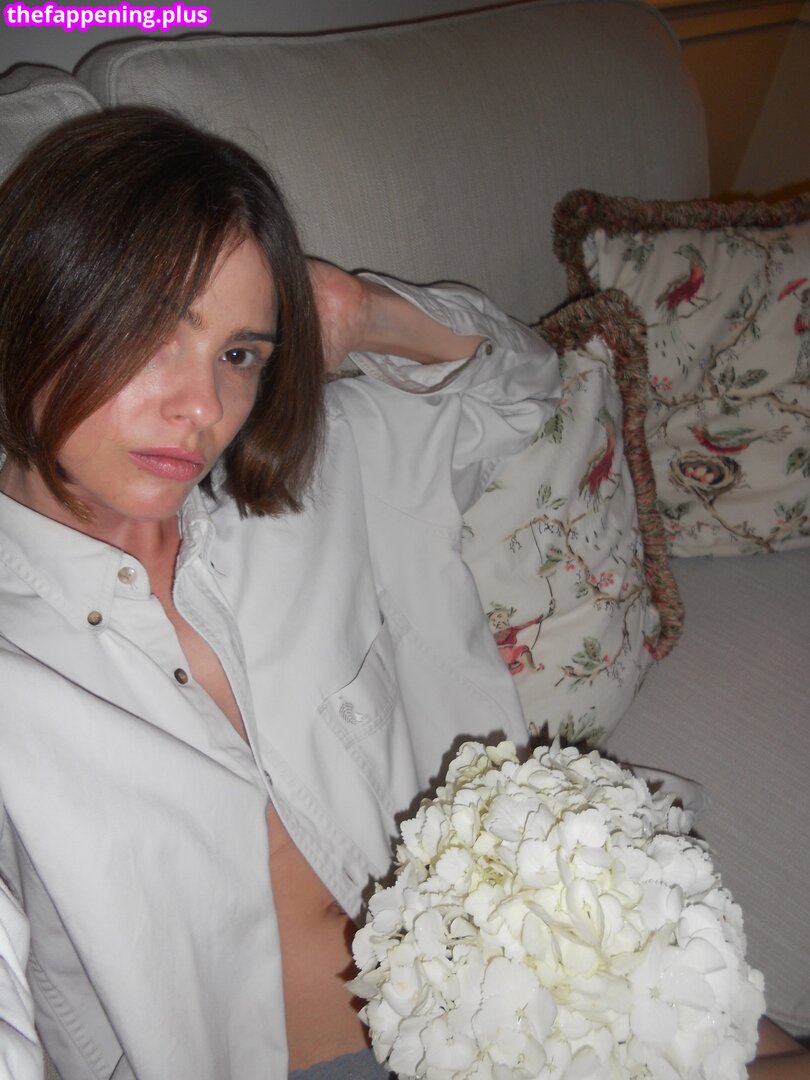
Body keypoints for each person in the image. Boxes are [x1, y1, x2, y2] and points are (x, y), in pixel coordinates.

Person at [0, 109, 805, 1080]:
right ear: (37, 307)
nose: (204, 407)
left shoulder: (315, 481)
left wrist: (360, 311)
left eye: (239, 353)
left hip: (527, 973)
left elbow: (522, 391)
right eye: (152, 335)